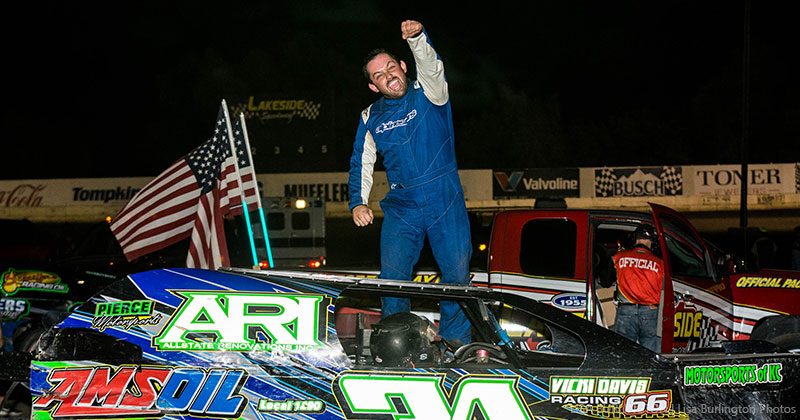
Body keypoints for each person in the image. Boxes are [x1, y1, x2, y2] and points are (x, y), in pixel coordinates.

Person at [348, 20, 472, 345]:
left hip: (444, 196)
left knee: (457, 276)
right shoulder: (369, 116)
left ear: (403, 66)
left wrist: (416, 39)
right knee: (391, 280)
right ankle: (394, 345)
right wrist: (357, 202)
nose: (388, 75)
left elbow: (431, 64)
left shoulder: (430, 90)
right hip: (402, 206)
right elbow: (361, 160)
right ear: (374, 86)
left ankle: (456, 345)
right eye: (378, 75)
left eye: (390, 66)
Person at [612, 224, 664, 353]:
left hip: (625, 311)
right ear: (651, 240)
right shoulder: (660, 264)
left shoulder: (618, 257)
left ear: (635, 239)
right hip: (650, 312)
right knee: (652, 356)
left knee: (624, 354)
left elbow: (606, 280)